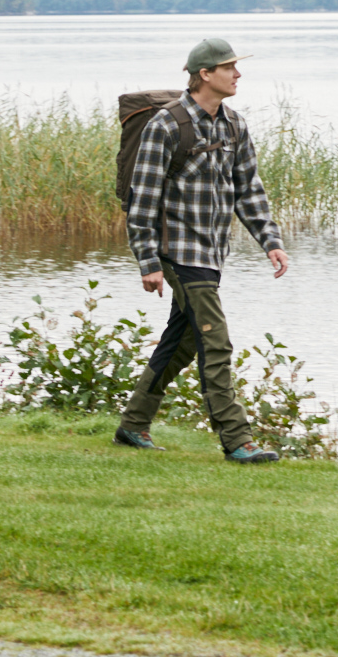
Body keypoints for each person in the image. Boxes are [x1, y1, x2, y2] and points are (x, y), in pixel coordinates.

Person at [116, 36, 291, 464]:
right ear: (204, 75)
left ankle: (133, 423)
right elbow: (143, 198)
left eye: (236, 66)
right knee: (216, 342)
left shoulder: (234, 124)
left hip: (212, 254)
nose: (237, 74)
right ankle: (237, 439)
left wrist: (270, 241)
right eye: (228, 67)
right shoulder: (166, 125)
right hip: (177, 252)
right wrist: (148, 261)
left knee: (184, 340)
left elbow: (248, 190)